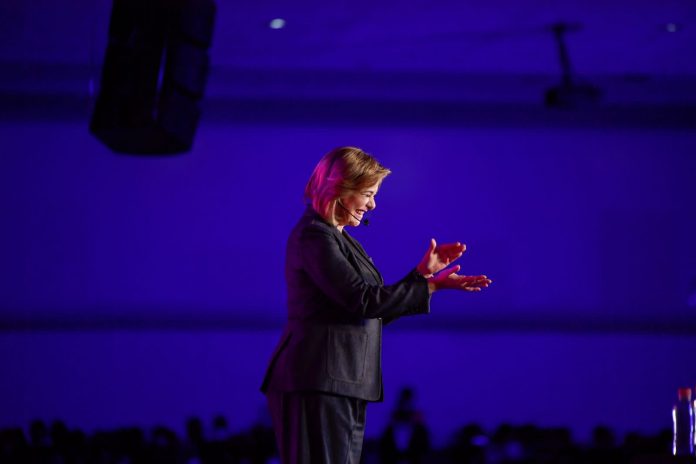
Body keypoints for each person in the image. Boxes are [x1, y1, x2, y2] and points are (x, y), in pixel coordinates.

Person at [260, 146, 491, 463]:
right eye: (368, 194)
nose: (372, 205)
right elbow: (363, 301)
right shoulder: (314, 236)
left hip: (337, 381)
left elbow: (370, 310)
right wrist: (430, 286)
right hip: (318, 381)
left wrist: (422, 276)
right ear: (339, 189)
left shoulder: (339, 239)